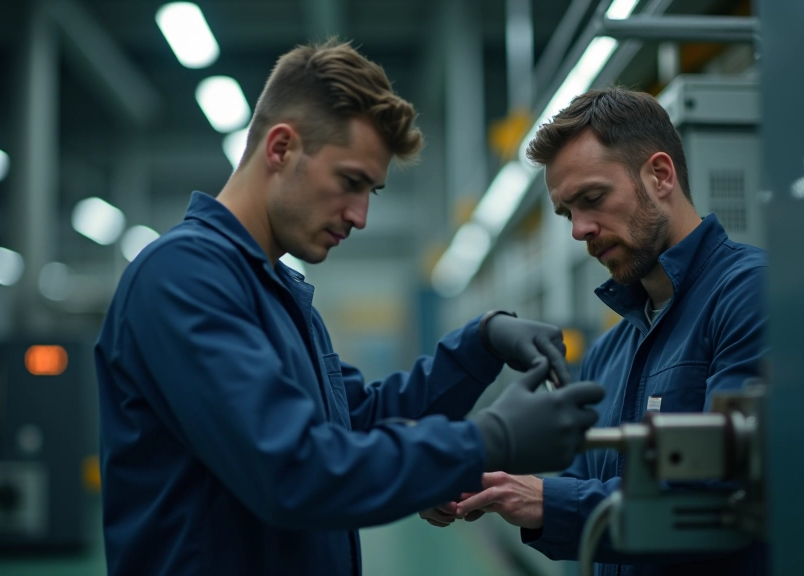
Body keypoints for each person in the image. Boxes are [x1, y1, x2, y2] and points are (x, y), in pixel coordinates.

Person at [94, 39, 608, 576]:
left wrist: (478, 346)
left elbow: (358, 423)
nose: (360, 216)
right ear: (280, 149)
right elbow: (291, 471)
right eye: (350, 182)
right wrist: (489, 439)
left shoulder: (275, 291)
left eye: (373, 192)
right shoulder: (184, 277)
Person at [420, 87, 768, 575]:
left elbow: (729, 491)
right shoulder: (611, 349)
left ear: (660, 175)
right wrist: (493, 486)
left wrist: (542, 499)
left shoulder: (751, 294)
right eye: (567, 212)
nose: (579, 229)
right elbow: (582, 482)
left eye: (593, 199)